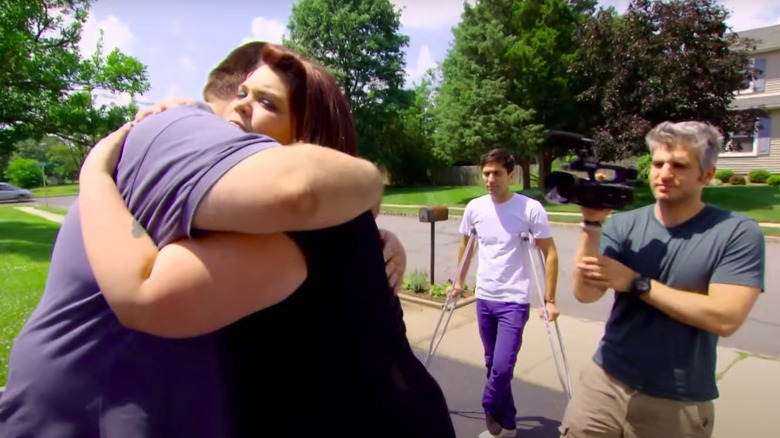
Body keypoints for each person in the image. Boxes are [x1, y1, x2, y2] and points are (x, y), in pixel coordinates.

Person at [0, 42, 413, 437]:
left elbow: (301, 192)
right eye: (242, 92)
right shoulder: (223, 188)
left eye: (267, 103)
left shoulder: (307, 230)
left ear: (308, 143)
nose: (240, 105)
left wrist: (369, 189)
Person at [560, 121, 765, 438]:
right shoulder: (624, 224)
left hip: (676, 401)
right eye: (658, 163)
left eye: (679, 165)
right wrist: (591, 223)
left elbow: (725, 317)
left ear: (707, 175)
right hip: (603, 384)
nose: (664, 173)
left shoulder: (736, 233)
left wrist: (637, 284)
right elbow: (585, 294)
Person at [450, 148, 560, 438]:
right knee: (491, 362)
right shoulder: (475, 208)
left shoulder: (529, 209)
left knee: (501, 366)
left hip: (514, 300)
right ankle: (507, 426)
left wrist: (549, 299)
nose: (489, 178)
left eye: (497, 173)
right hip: (484, 297)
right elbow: (467, 246)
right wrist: (459, 281)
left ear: (511, 175)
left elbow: (550, 253)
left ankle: (489, 404)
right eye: (486, 172)